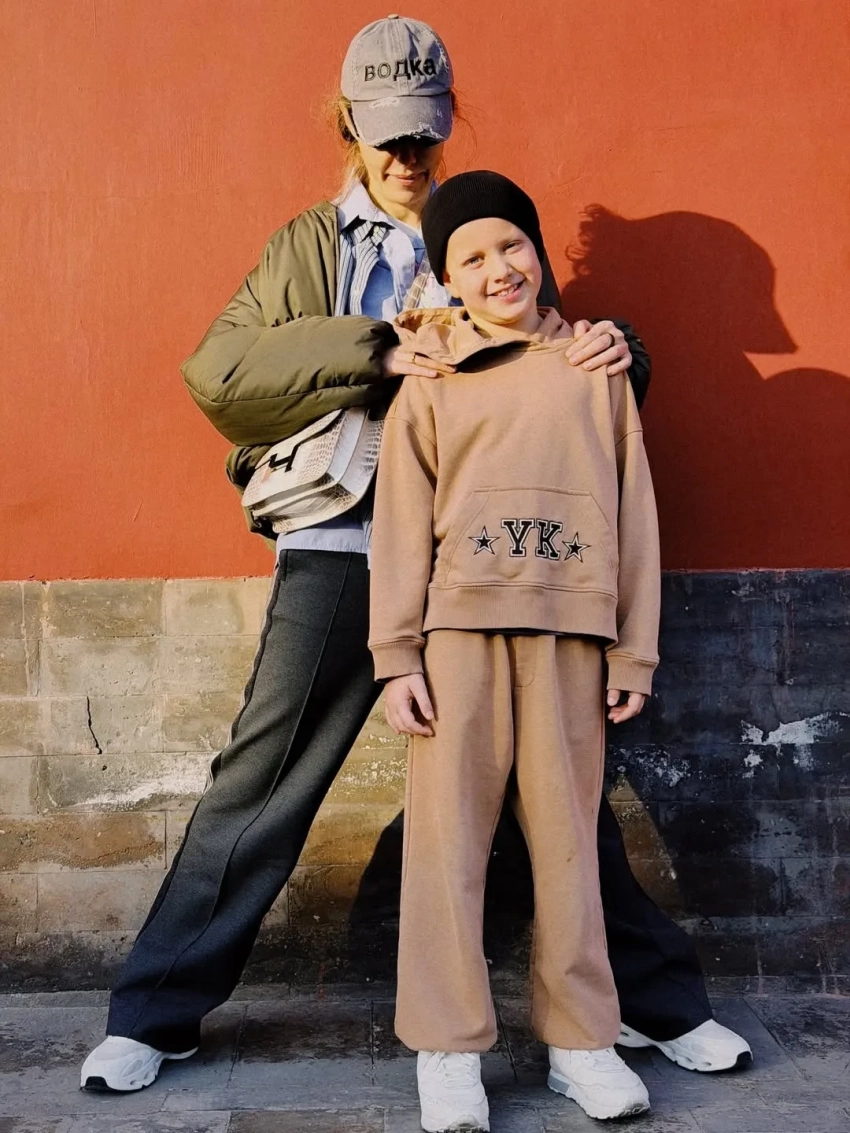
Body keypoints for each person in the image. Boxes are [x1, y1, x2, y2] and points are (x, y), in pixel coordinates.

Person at [80, 14, 749, 1096]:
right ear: (346, 125)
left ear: (446, 124)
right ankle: (153, 1013)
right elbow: (220, 372)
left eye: (422, 133)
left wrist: (620, 343)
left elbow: (568, 388)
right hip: (348, 539)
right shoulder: (310, 246)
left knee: (563, 797)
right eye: (384, 134)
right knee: (264, 779)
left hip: (488, 562)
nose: (404, 155)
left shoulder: (481, 232)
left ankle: (650, 1006)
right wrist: (380, 347)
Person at [369, 170, 660, 1129]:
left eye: (512, 245)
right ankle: (449, 1047)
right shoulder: (433, 377)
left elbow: (635, 512)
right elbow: (400, 521)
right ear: (447, 278)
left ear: (538, 252)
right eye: (472, 257)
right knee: (446, 844)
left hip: (572, 636)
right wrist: (397, 655)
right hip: (457, 638)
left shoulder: (595, 368)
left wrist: (635, 650)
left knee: (569, 845)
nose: (499, 268)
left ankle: (581, 1041)